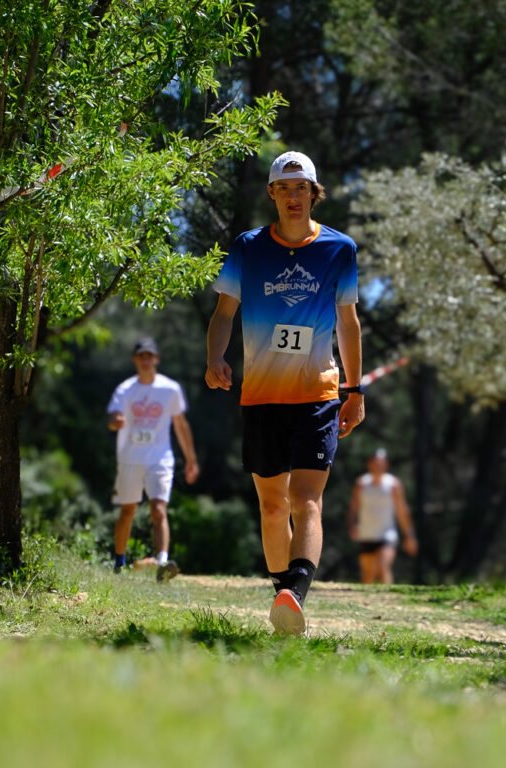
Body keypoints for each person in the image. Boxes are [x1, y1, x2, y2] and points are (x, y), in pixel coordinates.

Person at [205, 150, 365, 635]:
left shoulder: (340, 249)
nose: (294, 197)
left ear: (314, 193)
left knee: (306, 500)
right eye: (284, 188)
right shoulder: (248, 248)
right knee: (272, 506)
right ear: (272, 194)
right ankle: (283, 600)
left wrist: (354, 389)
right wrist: (215, 357)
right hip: (261, 395)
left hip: (318, 392)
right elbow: (224, 314)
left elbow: (348, 323)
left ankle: (295, 591)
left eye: (302, 188)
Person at [108, 337, 199, 581]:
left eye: (150, 356)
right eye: (141, 356)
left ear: (156, 359)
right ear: (135, 360)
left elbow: (181, 424)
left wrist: (191, 459)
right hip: (130, 457)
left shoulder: (170, 389)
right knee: (127, 510)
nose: (146, 360)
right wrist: (116, 422)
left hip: (160, 457)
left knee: (159, 510)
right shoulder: (125, 389)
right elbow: (112, 416)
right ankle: (119, 563)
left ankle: (162, 563)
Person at [347, 448, 418, 584]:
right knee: (368, 575)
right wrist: (352, 525)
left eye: (381, 462)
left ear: (386, 464)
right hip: (366, 534)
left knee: (382, 567)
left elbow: (402, 511)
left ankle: (388, 600)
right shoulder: (361, 484)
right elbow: (353, 507)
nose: (377, 465)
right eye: (375, 462)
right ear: (369, 464)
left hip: (387, 534)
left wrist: (409, 535)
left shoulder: (393, 485)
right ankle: (366, 602)